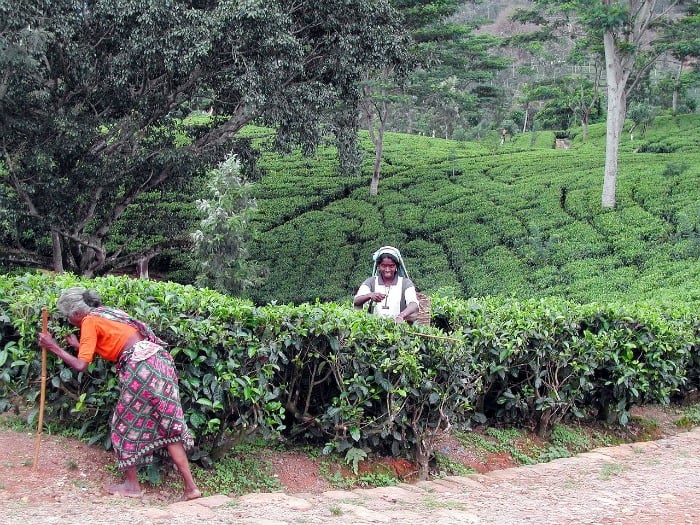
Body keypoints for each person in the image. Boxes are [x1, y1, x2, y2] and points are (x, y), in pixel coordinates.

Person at [37, 287, 201, 501]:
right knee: (168, 424)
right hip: (159, 361)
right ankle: (191, 488)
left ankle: (132, 485)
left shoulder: (88, 321)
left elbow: (81, 365)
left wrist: (54, 347)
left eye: (69, 317)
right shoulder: (109, 312)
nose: (71, 322)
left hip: (140, 367)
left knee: (123, 425)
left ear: (77, 313)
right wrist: (79, 345)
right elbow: (116, 342)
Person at [353, 246, 419, 323]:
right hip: (375, 330)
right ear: (378, 266)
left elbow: (413, 304)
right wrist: (370, 295)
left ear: (396, 267)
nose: (387, 270)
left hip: (400, 330)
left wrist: (401, 316)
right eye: (383, 266)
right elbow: (356, 301)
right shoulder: (371, 282)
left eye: (391, 266)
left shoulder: (405, 283)